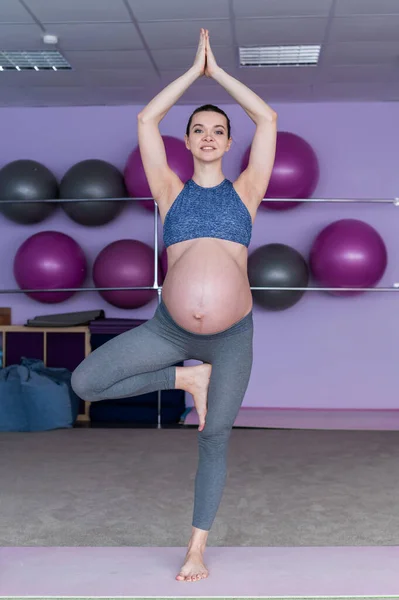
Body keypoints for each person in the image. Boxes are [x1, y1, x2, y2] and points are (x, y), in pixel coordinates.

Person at [71, 28, 277, 583]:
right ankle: (186, 381)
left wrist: (221, 75)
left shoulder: (248, 190)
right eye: (198, 130)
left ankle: (195, 548)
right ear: (186, 141)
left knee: (215, 437)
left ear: (229, 143)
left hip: (232, 337)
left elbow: (269, 120)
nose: (208, 137)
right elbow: (144, 121)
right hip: (169, 333)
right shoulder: (168, 189)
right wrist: (193, 72)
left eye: (218, 131)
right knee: (85, 384)